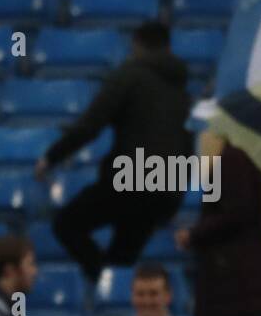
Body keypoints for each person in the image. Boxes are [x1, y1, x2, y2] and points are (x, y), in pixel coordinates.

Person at [35, 21, 193, 280]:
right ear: (168, 47)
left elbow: (90, 125)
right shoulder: (182, 92)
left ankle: (101, 279)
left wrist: (51, 157)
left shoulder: (129, 75)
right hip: (166, 189)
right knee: (121, 261)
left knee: (67, 224)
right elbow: (188, 147)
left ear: (136, 45)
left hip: (130, 181)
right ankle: (108, 286)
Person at [175, 130, 261, 316]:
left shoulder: (232, 159)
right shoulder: (240, 158)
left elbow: (237, 213)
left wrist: (194, 235)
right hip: (232, 279)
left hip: (237, 279)